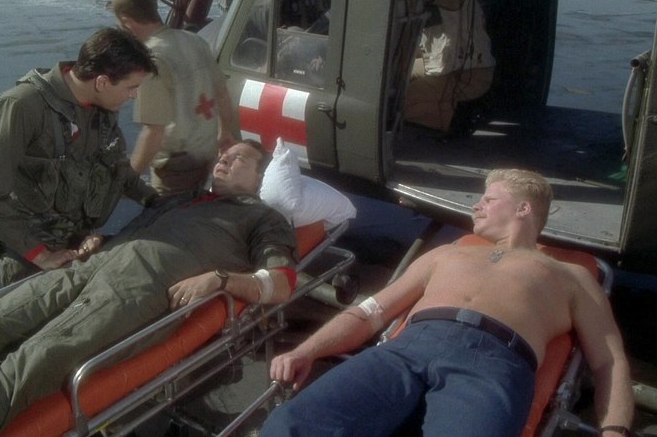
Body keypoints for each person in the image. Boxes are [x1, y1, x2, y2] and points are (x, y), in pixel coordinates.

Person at [0, 141, 297, 437]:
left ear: (260, 178)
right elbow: (137, 232)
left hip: (136, 290)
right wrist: (101, 240)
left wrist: (219, 279)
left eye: (239, 158)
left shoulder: (262, 219)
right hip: (89, 267)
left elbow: (281, 284)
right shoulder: (181, 199)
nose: (224, 159)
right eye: (224, 154)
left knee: (31, 362)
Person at [263, 169, 634, 437]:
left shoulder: (572, 276)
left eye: (489, 199)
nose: (476, 207)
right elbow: (371, 311)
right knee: (289, 425)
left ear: (523, 209)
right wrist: (307, 350)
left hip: (493, 364)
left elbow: (609, 361)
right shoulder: (447, 254)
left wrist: (614, 431)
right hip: (405, 351)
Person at [0, 27, 162, 286]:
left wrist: (155, 201)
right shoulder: (22, 106)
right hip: (31, 258)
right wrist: (40, 255)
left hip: (79, 245)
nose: (134, 95)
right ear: (102, 82)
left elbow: (117, 168)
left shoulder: (102, 107)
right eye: (131, 87)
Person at [112, 0, 238, 197]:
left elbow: (154, 132)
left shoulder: (150, 60)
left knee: (169, 214)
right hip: (207, 153)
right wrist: (225, 133)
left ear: (127, 22)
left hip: (176, 167)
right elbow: (222, 93)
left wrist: (129, 178)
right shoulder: (195, 40)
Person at [403, 0, 496, 134]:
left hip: (468, 74)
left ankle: (455, 117)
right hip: (445, 65)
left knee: (400, 102)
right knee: (398, 77)